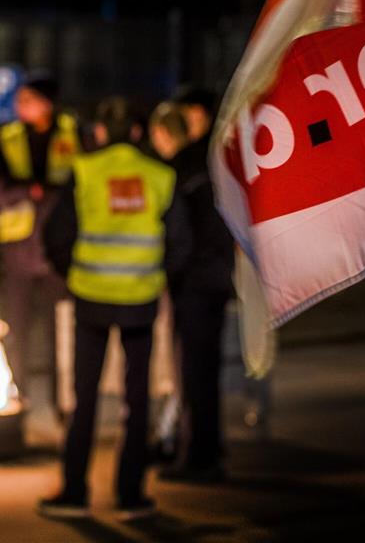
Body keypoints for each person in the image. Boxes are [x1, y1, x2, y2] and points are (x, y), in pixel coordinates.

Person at [39, 97, 192, 520]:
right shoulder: (160, 176)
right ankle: (130, 496)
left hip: (90, 299)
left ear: (101, 132)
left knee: (83, 397)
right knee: (135, 398)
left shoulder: (85, 172)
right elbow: (180, 241)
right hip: (141, 301)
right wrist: (158, 277)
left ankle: (74, 492)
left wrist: (72, 272)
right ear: (139, 132)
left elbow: (55, 233)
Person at [151, 96, 235, 483]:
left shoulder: (179, 170)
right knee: (206, 371)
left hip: (193, 285)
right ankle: (208, 447)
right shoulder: (209, 164)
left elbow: (179, 236)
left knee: (193, 372)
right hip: (216, 278)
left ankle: (198, 458)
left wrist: (169, 271)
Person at [0, 71, 80, 405]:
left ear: (47, 104)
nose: (18, 105)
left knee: (62, 331)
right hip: (20, 250)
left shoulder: (73, 132)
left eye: (26, 99)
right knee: (17, 329)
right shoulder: (8, 137)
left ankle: (64, 402)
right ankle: (16, 397)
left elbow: (81, 183)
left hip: (59, 249)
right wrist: (28, 191)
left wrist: (51, 196)